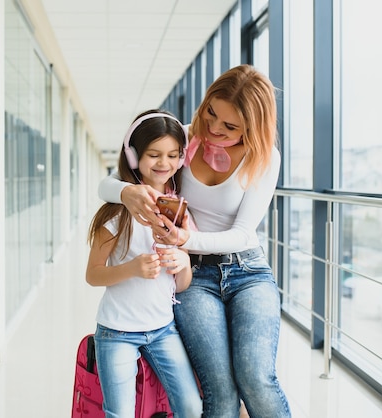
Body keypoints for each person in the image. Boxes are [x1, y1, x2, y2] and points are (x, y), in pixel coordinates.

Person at [98, 65, 292, 418]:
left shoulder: (265, 157)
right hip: (194, 277)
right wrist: (127, 192)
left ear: (252, 127)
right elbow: (107, 185)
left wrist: (187, 238)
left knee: (256, 376)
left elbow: (243, 234)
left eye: (230, 126)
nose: (214, 129)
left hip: (247, 268)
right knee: (218, 387)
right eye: (211, 113)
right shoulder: (185, 139)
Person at [86, 110, 203, 418]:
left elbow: (182, 284)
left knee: (191, 408)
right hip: (117, 331)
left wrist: (183, 263)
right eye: (154, 154)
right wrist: (133, 268)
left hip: (163, 329)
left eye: (173, 155)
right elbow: (93, 275)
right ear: (134, 156)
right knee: (119, 413)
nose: (164, 163)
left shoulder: (179, 212)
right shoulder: (115, 212)